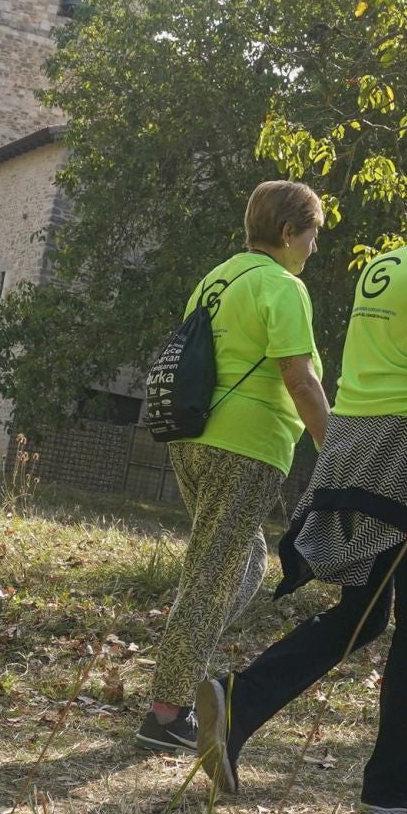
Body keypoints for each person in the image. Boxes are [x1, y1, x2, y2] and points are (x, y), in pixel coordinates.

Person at [196, 171, 407, 814]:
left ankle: (240, 704)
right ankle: (390, 786)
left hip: (353, 443)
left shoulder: (383, 267)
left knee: (367, 610)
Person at [136, 181, 330, 754]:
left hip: (193, 435)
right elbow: (299, 377)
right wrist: (339, 454)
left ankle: (183, 667)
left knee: (241, 563)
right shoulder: (283, 286)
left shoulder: (218, 277)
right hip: (245, 445)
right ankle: (167, 714)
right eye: (313, 234)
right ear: (289, 232)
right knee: (214, 573)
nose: (315, 248)